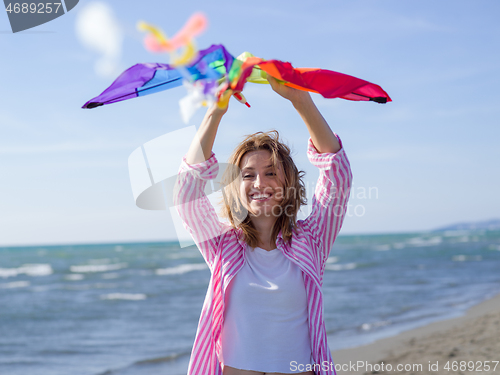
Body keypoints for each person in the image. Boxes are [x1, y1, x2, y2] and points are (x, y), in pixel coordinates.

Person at [174, 76, 353, 375]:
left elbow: (339, 175)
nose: (260, 183)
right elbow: (186, 192)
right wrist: (215, 111)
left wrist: (301, 101)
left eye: (271, 172)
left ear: (288, 182)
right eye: (247, 175)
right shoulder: (222, 245)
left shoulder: (312, 240)